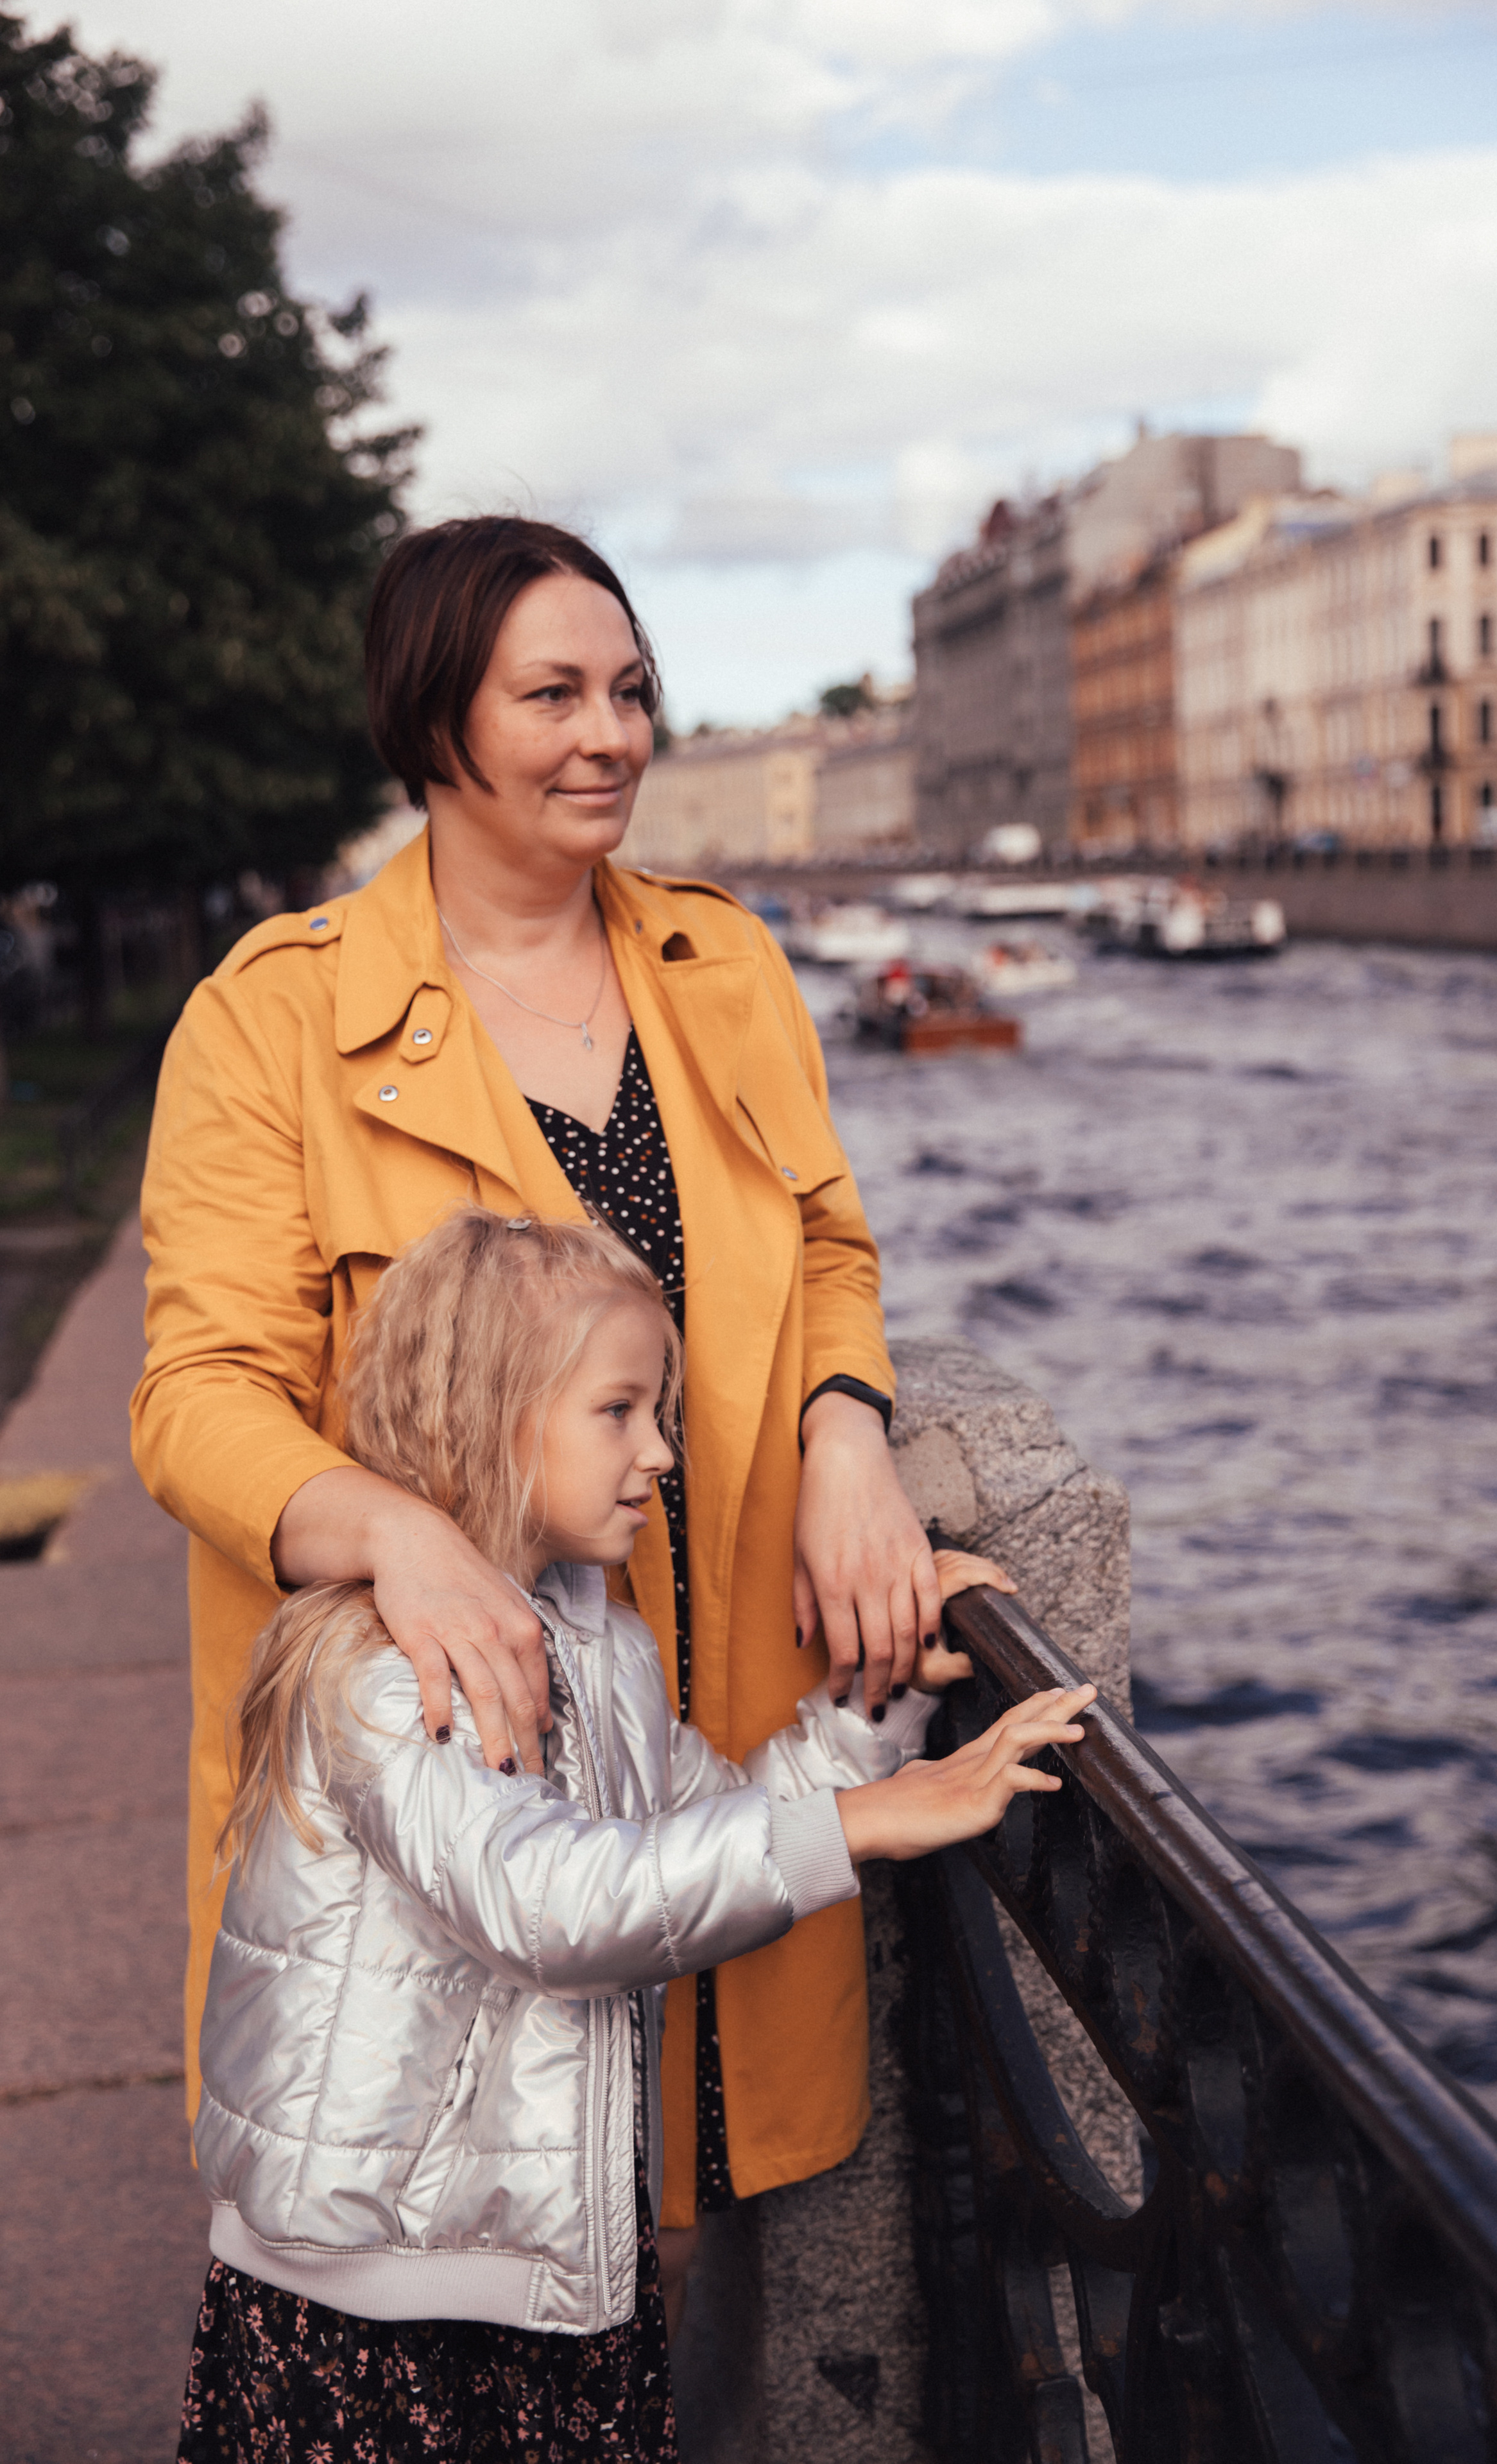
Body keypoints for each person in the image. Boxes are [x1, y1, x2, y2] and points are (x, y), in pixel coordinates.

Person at [133, 517, 945, 2289]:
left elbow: (823, 1243)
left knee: (698, 2269)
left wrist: (847, 1434)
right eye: (554, 695)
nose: (614, 736)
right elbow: (199, 1396)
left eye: (635, 691)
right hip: (459, 1797)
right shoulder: (274, 1019)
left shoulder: (719, 967)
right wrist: (400, 1537)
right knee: (477, 2273)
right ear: (436, 721)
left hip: (719, 1722)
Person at [175, 1209, 1094, 2461]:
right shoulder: (391, 1673)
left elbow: (715, 1827)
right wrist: (870, 1822)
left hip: (534, 2264)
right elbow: (553, 1907)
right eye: (618, 1412)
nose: (659, 1453)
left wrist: (875, 1706)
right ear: (492, 1417)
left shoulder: (598, 1644)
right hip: (377, 2295)